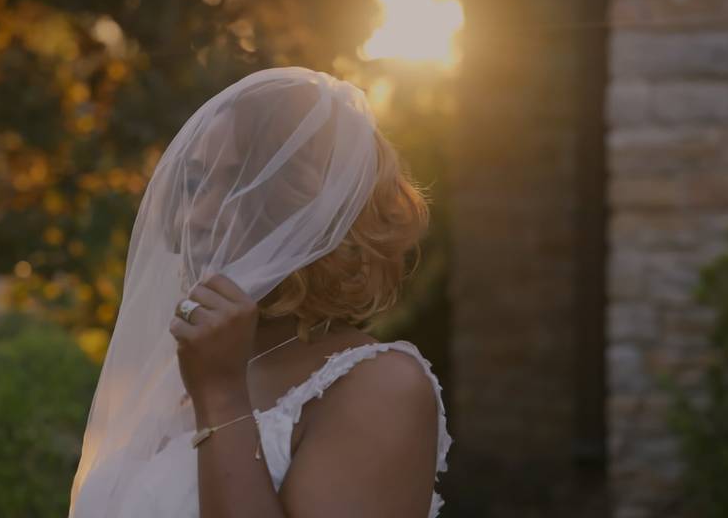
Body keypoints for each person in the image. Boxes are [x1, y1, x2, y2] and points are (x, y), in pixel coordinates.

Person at [68, 67, 452, 518]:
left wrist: (222, 396)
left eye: (238, 187)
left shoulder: (380, 387)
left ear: (309, 211)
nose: (196, 216)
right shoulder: (177, 375)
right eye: (196, 183)